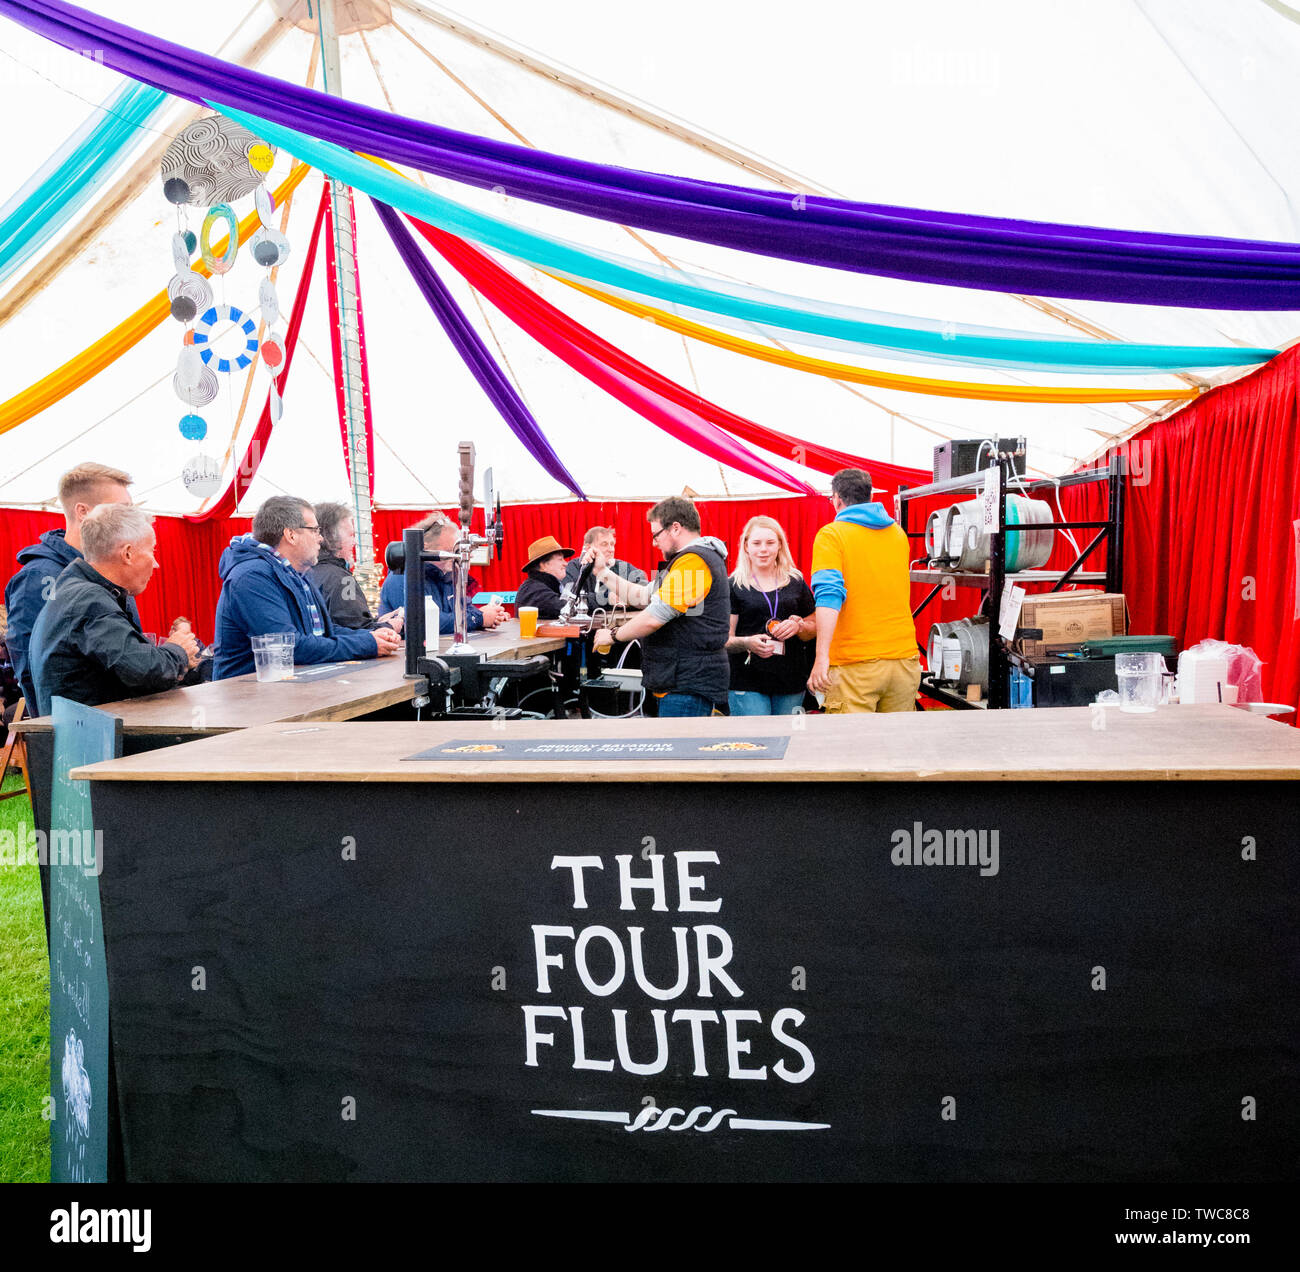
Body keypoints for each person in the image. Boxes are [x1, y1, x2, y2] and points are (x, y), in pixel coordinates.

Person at [27, 504, 200, 714]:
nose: (156, 564)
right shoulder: (89, 600)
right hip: (93, 739)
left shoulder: (74, 590)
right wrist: (178, 650)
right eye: (152, 550)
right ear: (127, 553)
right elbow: (142, 670)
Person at [213, 496, 402, 680]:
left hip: (284, 695)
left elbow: (320, 632)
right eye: (314, 530)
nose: (320, 538)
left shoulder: (294, 572)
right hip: (249, 702)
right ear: (291, 535)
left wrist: (371, 635)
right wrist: (366, 643)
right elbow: (289, 646)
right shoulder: (252, 577)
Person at [5, 461, 134, 710]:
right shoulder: (39, 577)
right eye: (121, 510)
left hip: (120, 721)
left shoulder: (109, 571)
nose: (131, 520)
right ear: (83, 512)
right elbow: (34, 673)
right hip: (78, 733)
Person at [592, 496, 729, 717]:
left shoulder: (693, 562)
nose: (654, 543)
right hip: (682, 682)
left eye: (656, 535)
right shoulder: (687, 561)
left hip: (687, 686)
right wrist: (602, 572)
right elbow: (642, 596)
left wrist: (614, 635)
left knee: (680, 752)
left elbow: (654, 617)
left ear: (675, 528)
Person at [808, 468, 920, 713]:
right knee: (896, 748)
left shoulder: (831, 535)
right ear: (869, 496)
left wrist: (821, 657)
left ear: (837, 498)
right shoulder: (897, 534)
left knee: (853, 749)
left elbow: (829, 596)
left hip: (853, 665)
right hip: (904, 662)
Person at [725, 516, 815, 715]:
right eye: (756, 543)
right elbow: (724, 639)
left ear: (780, 545)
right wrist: (748, 642)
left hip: (790, 680)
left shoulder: (796, 582)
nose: (763, 549)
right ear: (746, 546)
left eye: (770, 543)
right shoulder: (734, 586)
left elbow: (814, 626)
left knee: (789, 739)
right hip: (747, 682)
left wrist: (799, 626)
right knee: (756, 742)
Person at [378, 512, 508, 634]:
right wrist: (479, 618)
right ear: (426, 547)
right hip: (406, 656)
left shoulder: (445, 576)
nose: (457, 556)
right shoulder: (402, 578)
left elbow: (463, 610)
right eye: (451, 551)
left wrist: (487, 614)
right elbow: (424, 621)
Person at [308, 501, 403, 633]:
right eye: (351, 535)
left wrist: (378, 622)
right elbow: (355, 629)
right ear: (332, 538)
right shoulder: (340, 578)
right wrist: (389, 626)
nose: (354, 542)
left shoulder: (308, 573)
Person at [565, 525, 648, 611]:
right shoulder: (575, 567)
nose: (611, 549)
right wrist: (607, 598)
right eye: (604, 544)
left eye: (612, 544)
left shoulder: (623, 567)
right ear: (588, 547)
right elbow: (570, 597)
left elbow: (647, 594)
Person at [515, 536, 575, 621]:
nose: (565, 563)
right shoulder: (534, 590)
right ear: (544, 565)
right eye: (560, 559)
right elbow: (566, 609)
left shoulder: (539, 586)